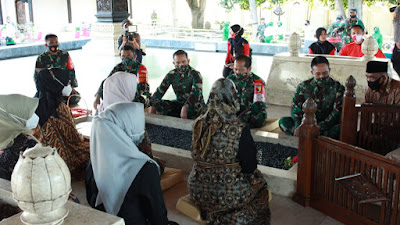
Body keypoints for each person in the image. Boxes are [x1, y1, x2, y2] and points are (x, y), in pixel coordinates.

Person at [188, 78, 271, 225]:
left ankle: (210, 212)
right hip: (229, 195)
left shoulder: (198, 123)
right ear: (230, 97)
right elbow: (250, 167)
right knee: (261, 185)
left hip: (197, 190)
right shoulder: (239, 128)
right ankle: (231, 218)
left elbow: (194, 153)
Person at [85, 102, 178, 225]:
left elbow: (92, 201)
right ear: (130, 127)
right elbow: (157, 218)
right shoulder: (144, 168)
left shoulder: (94, 162)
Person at [33, 68, 90, 177]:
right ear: (56, 83)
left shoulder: (34, 104)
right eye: (67, 82)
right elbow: (74, 138)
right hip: (62, 159)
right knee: (94, 149)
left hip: (44, 158)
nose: (69, 85)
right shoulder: (59, 107)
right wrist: (85, 138)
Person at [279, 56, 345, 139]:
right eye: (318, 74)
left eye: (325, 73)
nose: (321, 77)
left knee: (339, 129)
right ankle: (306, 136)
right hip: (305, 124)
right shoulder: (304, 86)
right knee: (283, 122)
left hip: (325, 126)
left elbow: (336, 113)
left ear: (329, 70)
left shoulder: (338, 88)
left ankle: (309, 137)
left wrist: (317, 127)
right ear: (312, 72)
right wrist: (299, 126)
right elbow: (296, 107)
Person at [149, 50, 205, 119]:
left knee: (187, 111)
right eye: (178, 63)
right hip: (179, 104)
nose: (181, 64)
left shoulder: (195, 74)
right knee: (156, 104)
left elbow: (195, 95)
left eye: (183, 61)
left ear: (188, 61)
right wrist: (152, 104)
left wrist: (185, 107)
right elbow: (160, 91)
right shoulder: (171, 74)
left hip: (195, 106)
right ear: (174, 63)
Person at [93, 45, 150, 109]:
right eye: (123, 56)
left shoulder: (141, 68)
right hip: (123, 96)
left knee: (139, 102)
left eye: (128, 55)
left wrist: (127, 100)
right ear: (120, 57)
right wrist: (97, 98)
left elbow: (142, 87)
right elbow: (107, 81)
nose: (126, 58)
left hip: (136, 96)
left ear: (134, 56)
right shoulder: (118, 67)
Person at [0, 94, 39, 180]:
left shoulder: (3, 140)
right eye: (28, 113)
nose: (34, 116)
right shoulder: (29, 145)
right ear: (13, 118)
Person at [34, 34, 80, 106]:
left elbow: (71, 71)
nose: (54, 44)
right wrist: (41, 90)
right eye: (51, 43)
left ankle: (60, 101)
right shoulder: (41, 58)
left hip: (63, 86)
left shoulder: (65, 55)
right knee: (41, 101)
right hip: (49, 88)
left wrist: (72, 87)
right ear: (46, 45)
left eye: (56, 42)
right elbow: (37, 76)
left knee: (76, 98)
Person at [227, 55, 267, 128]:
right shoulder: (230, 79)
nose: (237, 72)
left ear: (249, 69)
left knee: (257, 118)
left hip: (250, 113)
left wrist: (241, 118)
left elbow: (258, 105)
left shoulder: (258, 82)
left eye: (241, 70)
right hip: (235, 112)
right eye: (235, 69)